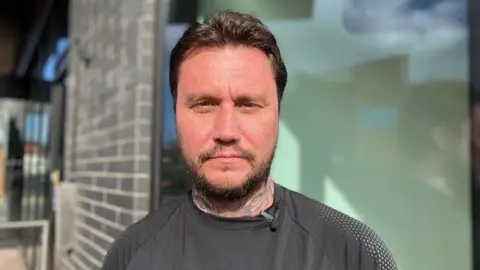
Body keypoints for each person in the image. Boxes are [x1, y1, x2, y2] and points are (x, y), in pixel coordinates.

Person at [102, 10, 397, 270]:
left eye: (248, 104)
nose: (227, 131)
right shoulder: (129, 254)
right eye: (204, 104)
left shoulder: (354, 253)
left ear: (278, 113)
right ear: (176, 110)